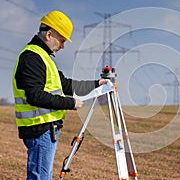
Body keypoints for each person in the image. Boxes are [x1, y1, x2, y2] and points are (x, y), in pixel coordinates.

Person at [12, 10, 108, 179]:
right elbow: (35, 96)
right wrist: (70, 103)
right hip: (39, 128)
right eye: (62, 40)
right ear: (49, 34)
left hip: (45, 129)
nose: (63, 46)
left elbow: (66, 85)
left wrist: (96, 84)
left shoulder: (44, 57)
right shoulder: (32, 58)